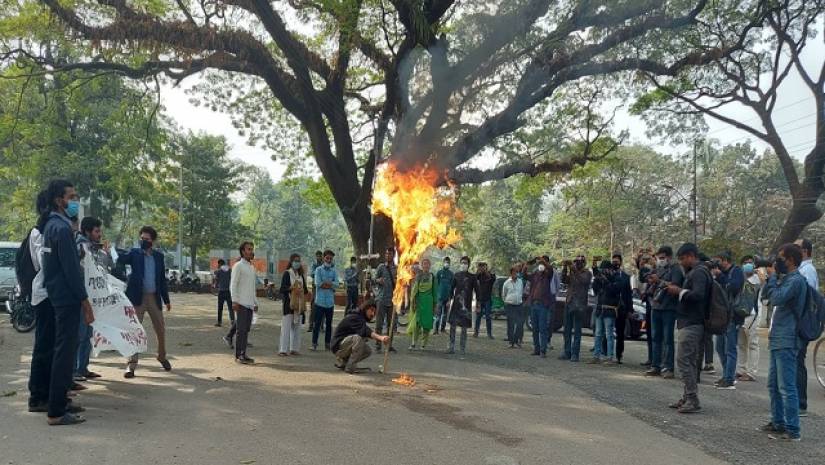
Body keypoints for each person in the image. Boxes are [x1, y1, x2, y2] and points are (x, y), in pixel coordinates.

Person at [27, 182, 95, 426]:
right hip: (66, 298)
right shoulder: (61, 230)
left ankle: (58, 402)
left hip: (56, 296)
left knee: (60, 350)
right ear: (59, 200)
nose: (75, 200)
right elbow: (70, 270)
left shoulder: (52, 227)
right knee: (64, 353)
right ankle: (56, 409)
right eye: (72, 196)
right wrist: (84, 300)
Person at [760, 243, 806, 441]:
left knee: (787, 387)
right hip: (778, 336)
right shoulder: (787, 279)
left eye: (781, 258)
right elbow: (768, 299)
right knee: (773, 385)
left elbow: (777, 298)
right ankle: (778, 422)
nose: (778, 262)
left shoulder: (796, 281)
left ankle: (793, 429)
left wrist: (770, 279)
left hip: (788, 338)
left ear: (791, 260)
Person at [118, 226, 172, 378]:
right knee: (134, 330)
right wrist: (112, 250)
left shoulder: (158, 257)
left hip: (154, 297)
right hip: (137, 298)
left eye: (147, 239)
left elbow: (162, 280)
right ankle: (131, 364)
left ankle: (162, 356)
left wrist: (166, 300)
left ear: (153, 241)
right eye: (142, 239)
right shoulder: (135, 253)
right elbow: (122, 258)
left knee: (160, 329)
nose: (144, 242)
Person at [666, 243, 711, 414]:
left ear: (691, 256)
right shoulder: (696, 272)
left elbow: (699, 295)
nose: (682, 262)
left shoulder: (699, 272)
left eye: (683, 258)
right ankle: (687, 397)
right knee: (689, 361)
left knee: (684, 361)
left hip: (693, 322)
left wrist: (680, 292)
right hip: (689, 322)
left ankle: (692, 399)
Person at [73, 216, 111, 383]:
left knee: (88, 334)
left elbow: (104, 268)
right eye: (96, 231)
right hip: (82, 297)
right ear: (87, 231)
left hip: (92, 297)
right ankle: (74, 370)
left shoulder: (93, 248)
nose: (99, 234)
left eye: (99, 231)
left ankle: (83, 368)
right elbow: (81, 271)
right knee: (80, 334)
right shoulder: (80, 246)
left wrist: (106, 254)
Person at [645, 246, 683, 379]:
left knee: (668, 339)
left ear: (669, 257)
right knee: (655, 338)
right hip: (655, 307)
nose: (660, 260)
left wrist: (659, 281)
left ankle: (668, 367)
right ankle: (656, 365)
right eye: (658, 258)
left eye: (662, 258)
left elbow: (676, 287)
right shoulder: (658, 269)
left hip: (669, 308)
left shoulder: (676, 269)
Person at [332, 300, 390, 374]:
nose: (373, 314)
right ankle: (349, 367)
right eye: (371, 310)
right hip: (338, 347)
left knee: (367, 350)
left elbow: (365, 332)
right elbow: (366, 330)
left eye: (374, 312)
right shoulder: (355, 317)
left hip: (344, 345)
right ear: (366, 308)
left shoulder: (360, 318)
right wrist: (381, 338)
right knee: (357, 339)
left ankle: (345, 363)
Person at [793, 238, 815, 418]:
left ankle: (801, 403)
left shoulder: (808, 270)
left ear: (805, 251)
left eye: (796, 248)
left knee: (798, 361)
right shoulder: (801, 270)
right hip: (797, 322)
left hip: (801, 323)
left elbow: (805, 299)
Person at [229, 241, 258, 364]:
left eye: (252, 249)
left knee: (246, 329)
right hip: (240, 303)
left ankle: (244, 353)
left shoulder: (251, 267)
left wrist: (255, 302)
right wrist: (234, 301)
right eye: (248, 249)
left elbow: (252, 287)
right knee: (240, 330)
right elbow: (233, 284)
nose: (251, 251)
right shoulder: (238, 266)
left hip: (250, 303)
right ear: (242, 251)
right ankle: (239, 355)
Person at [526, 256, 559, 358]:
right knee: (535, 328)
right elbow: (524, 274)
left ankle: (543, 350)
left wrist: (543, 261)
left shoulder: (547, 275)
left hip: (543, 305)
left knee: (542, 328)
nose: (540, 266)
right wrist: (528, 264)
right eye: (539, 264)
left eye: (542, 264)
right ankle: (536, 349)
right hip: (534, 304)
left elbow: (550, 269)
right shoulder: (535, 275)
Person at [736, 256, 762, 383]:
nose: (747, 265)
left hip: (754, 314)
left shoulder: (758, 279)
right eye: (745, 263)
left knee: (753, 343)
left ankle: (752, 372)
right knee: (741, 344)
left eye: (750, 263)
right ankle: (741, 370)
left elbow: (760, 287)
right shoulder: (739, 278)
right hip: (741, 314)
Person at [561, 256, 591, 362]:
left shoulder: (587, 273)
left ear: (583, 263)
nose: (577, 264)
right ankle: (567, 352)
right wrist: (565, 267)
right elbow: (563, 280)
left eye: (579, 262)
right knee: (567, 330)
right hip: (569, 302)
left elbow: (584, 281)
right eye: (575, 262)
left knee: (577, 331)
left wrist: (573, 270)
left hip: (580, 305)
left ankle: (575, 354)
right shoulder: (572, 273)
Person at [447, 256, 479, 355]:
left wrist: (478, 304)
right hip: (456, 305)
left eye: (465, 263)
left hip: (466, 306)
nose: (463, 264)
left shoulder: (473, 277)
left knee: (464, 328)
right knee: (453, 326)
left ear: (468, 264)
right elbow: (451, 289)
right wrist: (449, 300)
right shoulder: (456, 275)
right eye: (462, 262)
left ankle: (462, 348)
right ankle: (451, 347)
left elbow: (477, 291)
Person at [589, 260, 619, 365]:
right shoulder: (599, 279)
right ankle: (596, 355)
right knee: (598, 334)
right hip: (600, 308)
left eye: (605, 269)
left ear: (610, 269)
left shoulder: (615, 278)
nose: (603, 272)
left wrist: (606, 281)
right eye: (602, 270)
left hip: (609, 309)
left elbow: (615, 291)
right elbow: (596, 291)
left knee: (609, 334)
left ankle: (610, 357)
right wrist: (596, 280)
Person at [279, 253, 309, 356]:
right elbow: (282, 289)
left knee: (297, 328)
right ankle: (283, 350)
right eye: (295, 261)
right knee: (286, 327)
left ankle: (294, 349)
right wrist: (291, 288)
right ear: (291, 262)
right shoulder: (287, 273)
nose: (297, 263)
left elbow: (305, 291)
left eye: (299, 261)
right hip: (288, 304)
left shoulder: (301, 276)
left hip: (299, 304)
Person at [312, 249, 339, 351]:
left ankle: (327, 344)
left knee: (329, 324)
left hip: (330, 303)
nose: (329, 260)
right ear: (324, 258)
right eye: (327, 258)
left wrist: (327, 284)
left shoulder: (334, 271)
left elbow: (337, 284)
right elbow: (318, 283)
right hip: (320, 302)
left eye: (330, 258)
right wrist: (330, 284)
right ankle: (314, 343)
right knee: (317, 324)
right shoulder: (318, 270)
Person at [408, 258, 436, 350]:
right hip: (419, 302)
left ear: (430, 266)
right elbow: (414, 290)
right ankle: (413, 343)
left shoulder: (433, 277)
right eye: (424, 264)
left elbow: (435, 292)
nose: (426, 266)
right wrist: (413, 302)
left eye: (427, 264)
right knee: (417, 324)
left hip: (429, 303)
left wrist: (435, 305)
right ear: (422, 265)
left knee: (426, 325)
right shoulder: (418, 276)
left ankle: (423, 344)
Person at [374, 247, 398, 353]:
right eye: (387, 253)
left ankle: (389, 345)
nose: (388, 255)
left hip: (392, 300)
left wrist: (396, 281)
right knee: (379, 324)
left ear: (393, 255)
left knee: (391, 324)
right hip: (381, 299)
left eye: (390, 254)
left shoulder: (397, 268)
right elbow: (374, 279)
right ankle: (378, 345)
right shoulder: (381, 267)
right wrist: (379, 280)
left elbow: (401, 284)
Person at [611, 254, 633, 364]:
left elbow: (629, 294)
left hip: (621, 308)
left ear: (620, 263)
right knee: (608, 331)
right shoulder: (609, 275)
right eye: (613, 261)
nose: (615, 263)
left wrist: (630, 310)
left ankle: (619, 355)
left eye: (617, 261)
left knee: (620, 333)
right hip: (610, 307)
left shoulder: (626, 277)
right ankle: (607, 353)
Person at [502, 265, 525, 348]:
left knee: (520, 323)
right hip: (510, 305)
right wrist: (507, 301)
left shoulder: (520, 282)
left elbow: (521, 292)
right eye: (514, 272)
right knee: (511, 324)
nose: (516, 274)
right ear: (511, 273)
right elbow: (503, 294)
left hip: (519, 304)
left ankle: (516, 340)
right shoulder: (506, 283)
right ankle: (511, 342)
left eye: (517, 272)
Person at [474, 262, 496, 339]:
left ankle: (489, 334)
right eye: (481, 266)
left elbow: (493, 279)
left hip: (488, 300)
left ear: (486, 267)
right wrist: (478, 270)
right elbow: (474, 279)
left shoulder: (491, 274)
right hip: (480, 299)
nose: (482, 268)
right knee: (478, 317)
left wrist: (485, 271)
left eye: (483, 266)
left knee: (488, 317)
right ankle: (476, 332)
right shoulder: (479, 275)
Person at [434, 257, 453, 335]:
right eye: (445, 262)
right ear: (443, 262)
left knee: (445, 315)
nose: (447, 263)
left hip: (447, 298)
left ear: (449, 263)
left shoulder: (451, 274)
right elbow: (435, 285)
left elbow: (452, 287)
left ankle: (443, 329)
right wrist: (436, 296)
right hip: (439, 298)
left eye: (448, 262)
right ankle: (436, 330)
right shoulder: (439, 272)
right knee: (438, 314)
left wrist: (450, 299)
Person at [213, 259, 233, 327]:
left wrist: (215, 286)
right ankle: (232, 321)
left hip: (221, 291)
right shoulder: (230, 270)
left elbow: (216, 281)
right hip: (229, 291)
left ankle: (219, 322)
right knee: (230, 307)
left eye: (218, 264)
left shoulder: (219, 271)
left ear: (219, 264)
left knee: (220, 308)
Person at [308, 250, 323, 333]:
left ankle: (321, 326)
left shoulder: (324, 264)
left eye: (320, 256)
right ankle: (311, 325)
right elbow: (312, 274)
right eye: (317, 256)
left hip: (322, 288)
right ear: (316, 256)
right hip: (315, 287)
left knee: (323, 306)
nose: (319, 257)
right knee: (313, 305)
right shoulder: (314, 264)